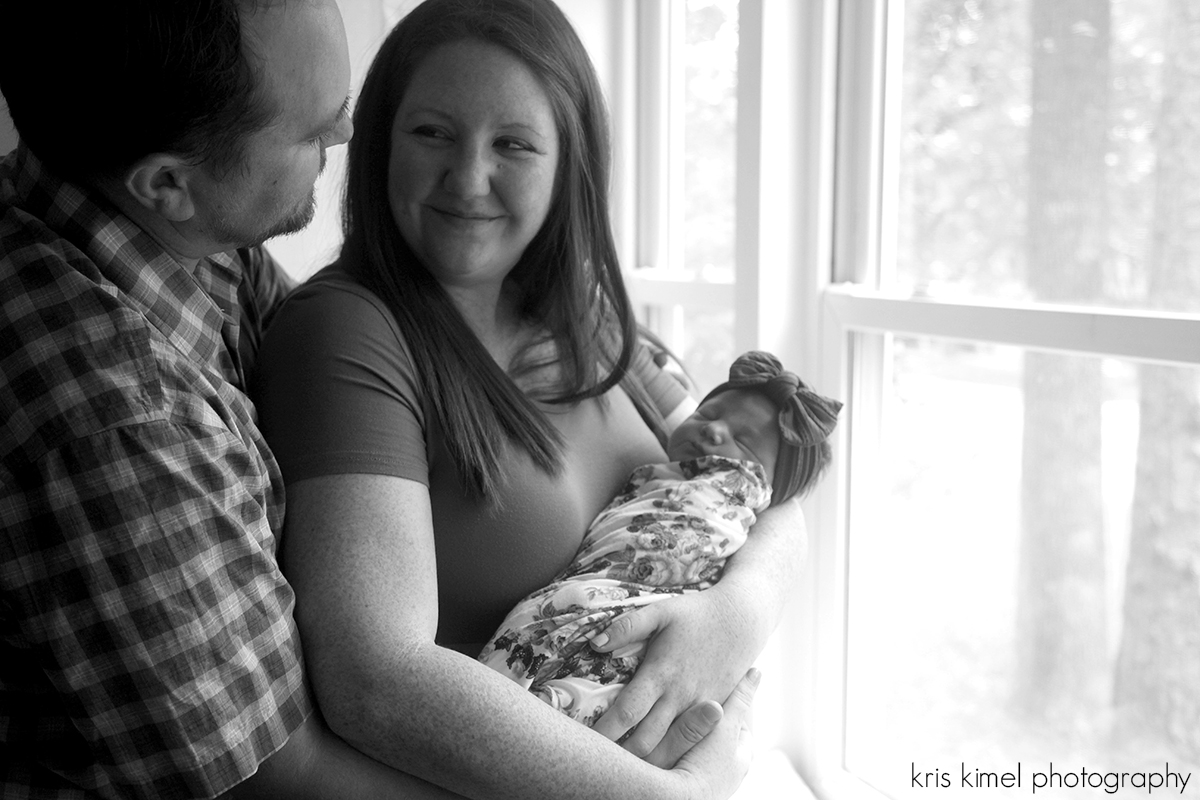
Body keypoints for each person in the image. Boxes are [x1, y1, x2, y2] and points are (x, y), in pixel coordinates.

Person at [251, 0, 803, 798]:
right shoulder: (345, 331)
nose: (468, 178)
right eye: (432, 133)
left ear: (566, 162)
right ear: (378, 146)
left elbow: (766, 488)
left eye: (513, 144)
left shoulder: (585, 313)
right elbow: (375, 677)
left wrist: (733, 618)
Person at [0, 2, 479, 797]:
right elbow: (282, 777)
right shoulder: (116, 421)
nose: (345, 138)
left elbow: (336, 356)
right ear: (167, 182)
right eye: (310, 131)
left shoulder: (179, 236)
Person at [479, 351, 842, 726]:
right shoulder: (657, 478)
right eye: (707, 414)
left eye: (744, 443)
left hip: (656, 629)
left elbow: (783, 508)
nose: (713, 430)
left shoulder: (616, 343)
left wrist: (737, 612)